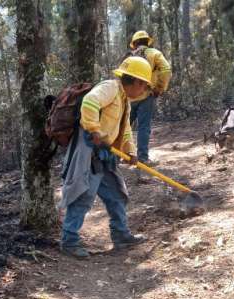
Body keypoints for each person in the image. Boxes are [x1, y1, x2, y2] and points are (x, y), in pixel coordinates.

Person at [59, 56, 153, 258]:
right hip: (89, 151)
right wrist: (94, 129)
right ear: (136, 81)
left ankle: (121, 236)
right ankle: (69, 241)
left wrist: (130, 151)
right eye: (144, 85)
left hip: (107, 154)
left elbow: (125, 129)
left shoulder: (124, 99)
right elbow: (89, 102)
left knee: (116, 195)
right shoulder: (110, 87)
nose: (144, 90)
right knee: (83, 195)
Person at [126, 30, 172, 166]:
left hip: (128, 97)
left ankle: (119, 156)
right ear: (148, 41)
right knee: (143, 127)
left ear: (134, 44)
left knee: (123, 126)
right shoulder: (154, 54)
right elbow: (166, 70)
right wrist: (159, 88)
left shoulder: (128, 56)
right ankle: (143, 158)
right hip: (146, 95)